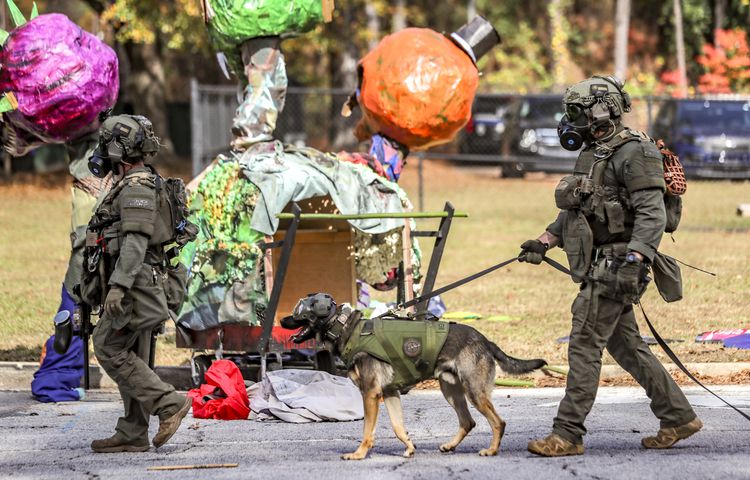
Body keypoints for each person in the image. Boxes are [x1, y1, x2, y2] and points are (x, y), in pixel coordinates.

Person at [520, 76, 701, 457]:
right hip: (601, 263)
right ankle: (678, 416)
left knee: (584, 342)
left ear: (601, 111)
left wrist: (636, 260)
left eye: (575, 112)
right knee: (628, 346)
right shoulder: (594, 152)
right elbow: (577, 211)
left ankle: (567, 434)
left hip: (620, 264)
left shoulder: (636, 153)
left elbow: (652, 216)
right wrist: (544, 241)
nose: (570, 119)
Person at [81, 114, 191, 453]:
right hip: (146, 282)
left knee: (109, 346)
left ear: (119, 148)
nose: (101, 150)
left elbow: (135, 241)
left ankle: (169, 403)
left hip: (135, 286)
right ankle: (132, 431)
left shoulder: (136, 187)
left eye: (106, 142)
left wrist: (119, 286)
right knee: (134, 356)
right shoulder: (140, 181)